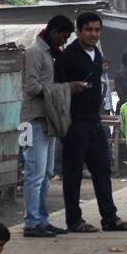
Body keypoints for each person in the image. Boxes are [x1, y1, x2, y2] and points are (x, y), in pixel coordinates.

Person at [61, 13, 127, 233]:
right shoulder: (69, 56)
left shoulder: (96, 54)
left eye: (97, 30)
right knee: (73, 172)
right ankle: (74, 220)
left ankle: (109, 217)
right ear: (79, 31)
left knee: (102, 169)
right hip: (75, 121)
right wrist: (70, 87)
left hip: (95, 120)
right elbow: (57, 87)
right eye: (89, 30)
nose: (93, 34)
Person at [22, 15, 81, 238]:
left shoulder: (50, 53)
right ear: (54, 32)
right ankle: (31, 222)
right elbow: (31, 87)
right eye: (63, 37)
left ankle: (42, 219)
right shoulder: (35, 52)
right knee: (34, 174)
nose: (64, 42)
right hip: (33, 119)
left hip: (48, 119)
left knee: (45, 174)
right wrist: (64, 88)